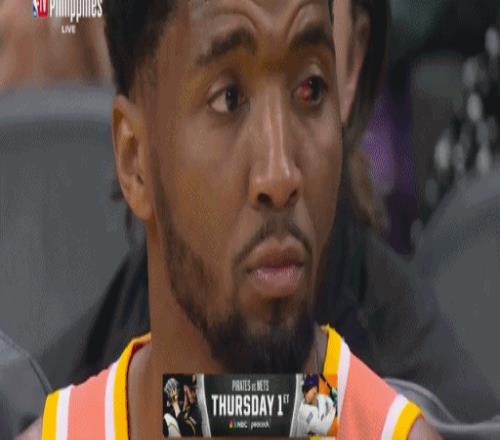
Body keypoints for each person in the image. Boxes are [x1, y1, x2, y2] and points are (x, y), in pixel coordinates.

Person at [43, 0, 499, 424]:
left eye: (309, 88)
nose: (278, 175)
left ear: (351, 64)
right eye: (228, 98)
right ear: (134, 158)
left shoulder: (425, 407)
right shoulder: (56, 396)